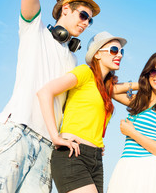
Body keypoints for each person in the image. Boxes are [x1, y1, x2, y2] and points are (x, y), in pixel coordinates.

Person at [0, 0, 99, 192]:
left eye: (90, 20)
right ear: (65, 9)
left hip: (48, 146)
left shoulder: (72, 60)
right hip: (18, 132)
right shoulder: (34, 31)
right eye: (83, 15)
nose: (86, 23)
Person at [37, 31, 126, 193]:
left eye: (121, 52)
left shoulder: (105, 89)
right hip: (73, 153)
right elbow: (45, 92)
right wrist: (55, 137)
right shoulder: (85, 72)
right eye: (114, 50)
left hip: (96, 159)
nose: (119, 55)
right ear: (97, 54)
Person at [107, 51, 156, 193]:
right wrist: (142, 83)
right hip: (125, 167)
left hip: (148, 169)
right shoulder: (139, 102)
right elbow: (111, 90)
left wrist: (132, 133)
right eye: (154, 71)